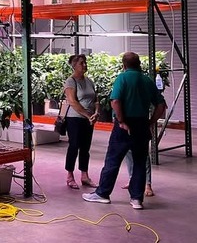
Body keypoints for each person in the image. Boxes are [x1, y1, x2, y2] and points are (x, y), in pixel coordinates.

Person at [83, 52, 166, 210]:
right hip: (142, 123)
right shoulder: (147, 81)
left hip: (125, 124)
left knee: (113, 160)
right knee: (140, 162)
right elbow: (161, 106)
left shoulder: (122, 78)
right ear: (139, 64)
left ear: (123, 65)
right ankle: (136, 199)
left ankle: (103, 194)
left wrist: (121, 121)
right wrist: (150, 122)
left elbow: (115, 101)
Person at [62, 54, 99, 190]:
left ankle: (84, 175)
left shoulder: (89, 81)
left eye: (85, 62)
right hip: (75, 118)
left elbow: (96, 99)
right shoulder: (71, 81)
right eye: (81, 63)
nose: (84, 65)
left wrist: (96, 112)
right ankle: (70, 176)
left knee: (85, 148)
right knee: (74, 145)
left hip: (88, 119)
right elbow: (72, 102)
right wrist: (87, 115)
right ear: (74, 66)